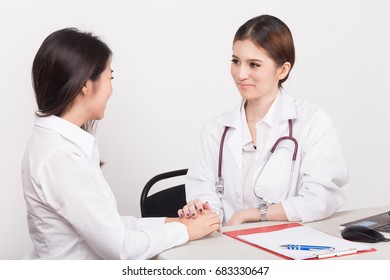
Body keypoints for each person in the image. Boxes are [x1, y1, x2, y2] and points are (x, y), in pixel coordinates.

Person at [21, 28, 220, 260]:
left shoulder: (58, 146)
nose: (111, 89)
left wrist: (173, 222)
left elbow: (109, 227)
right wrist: (185, 230)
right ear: (86, 84)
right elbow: (119, 247)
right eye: (110, 77)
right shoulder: (59, 157)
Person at [178, 15, 349, 226]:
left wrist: (250, 214)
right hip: (226, 247)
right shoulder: (214, 131)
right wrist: (199, 209)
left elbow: (321, 198)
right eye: (236, 61)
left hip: (289, 246)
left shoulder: (312, 122)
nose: (241, 74)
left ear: (283, 69)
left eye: (254, 64)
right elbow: (203, 196)